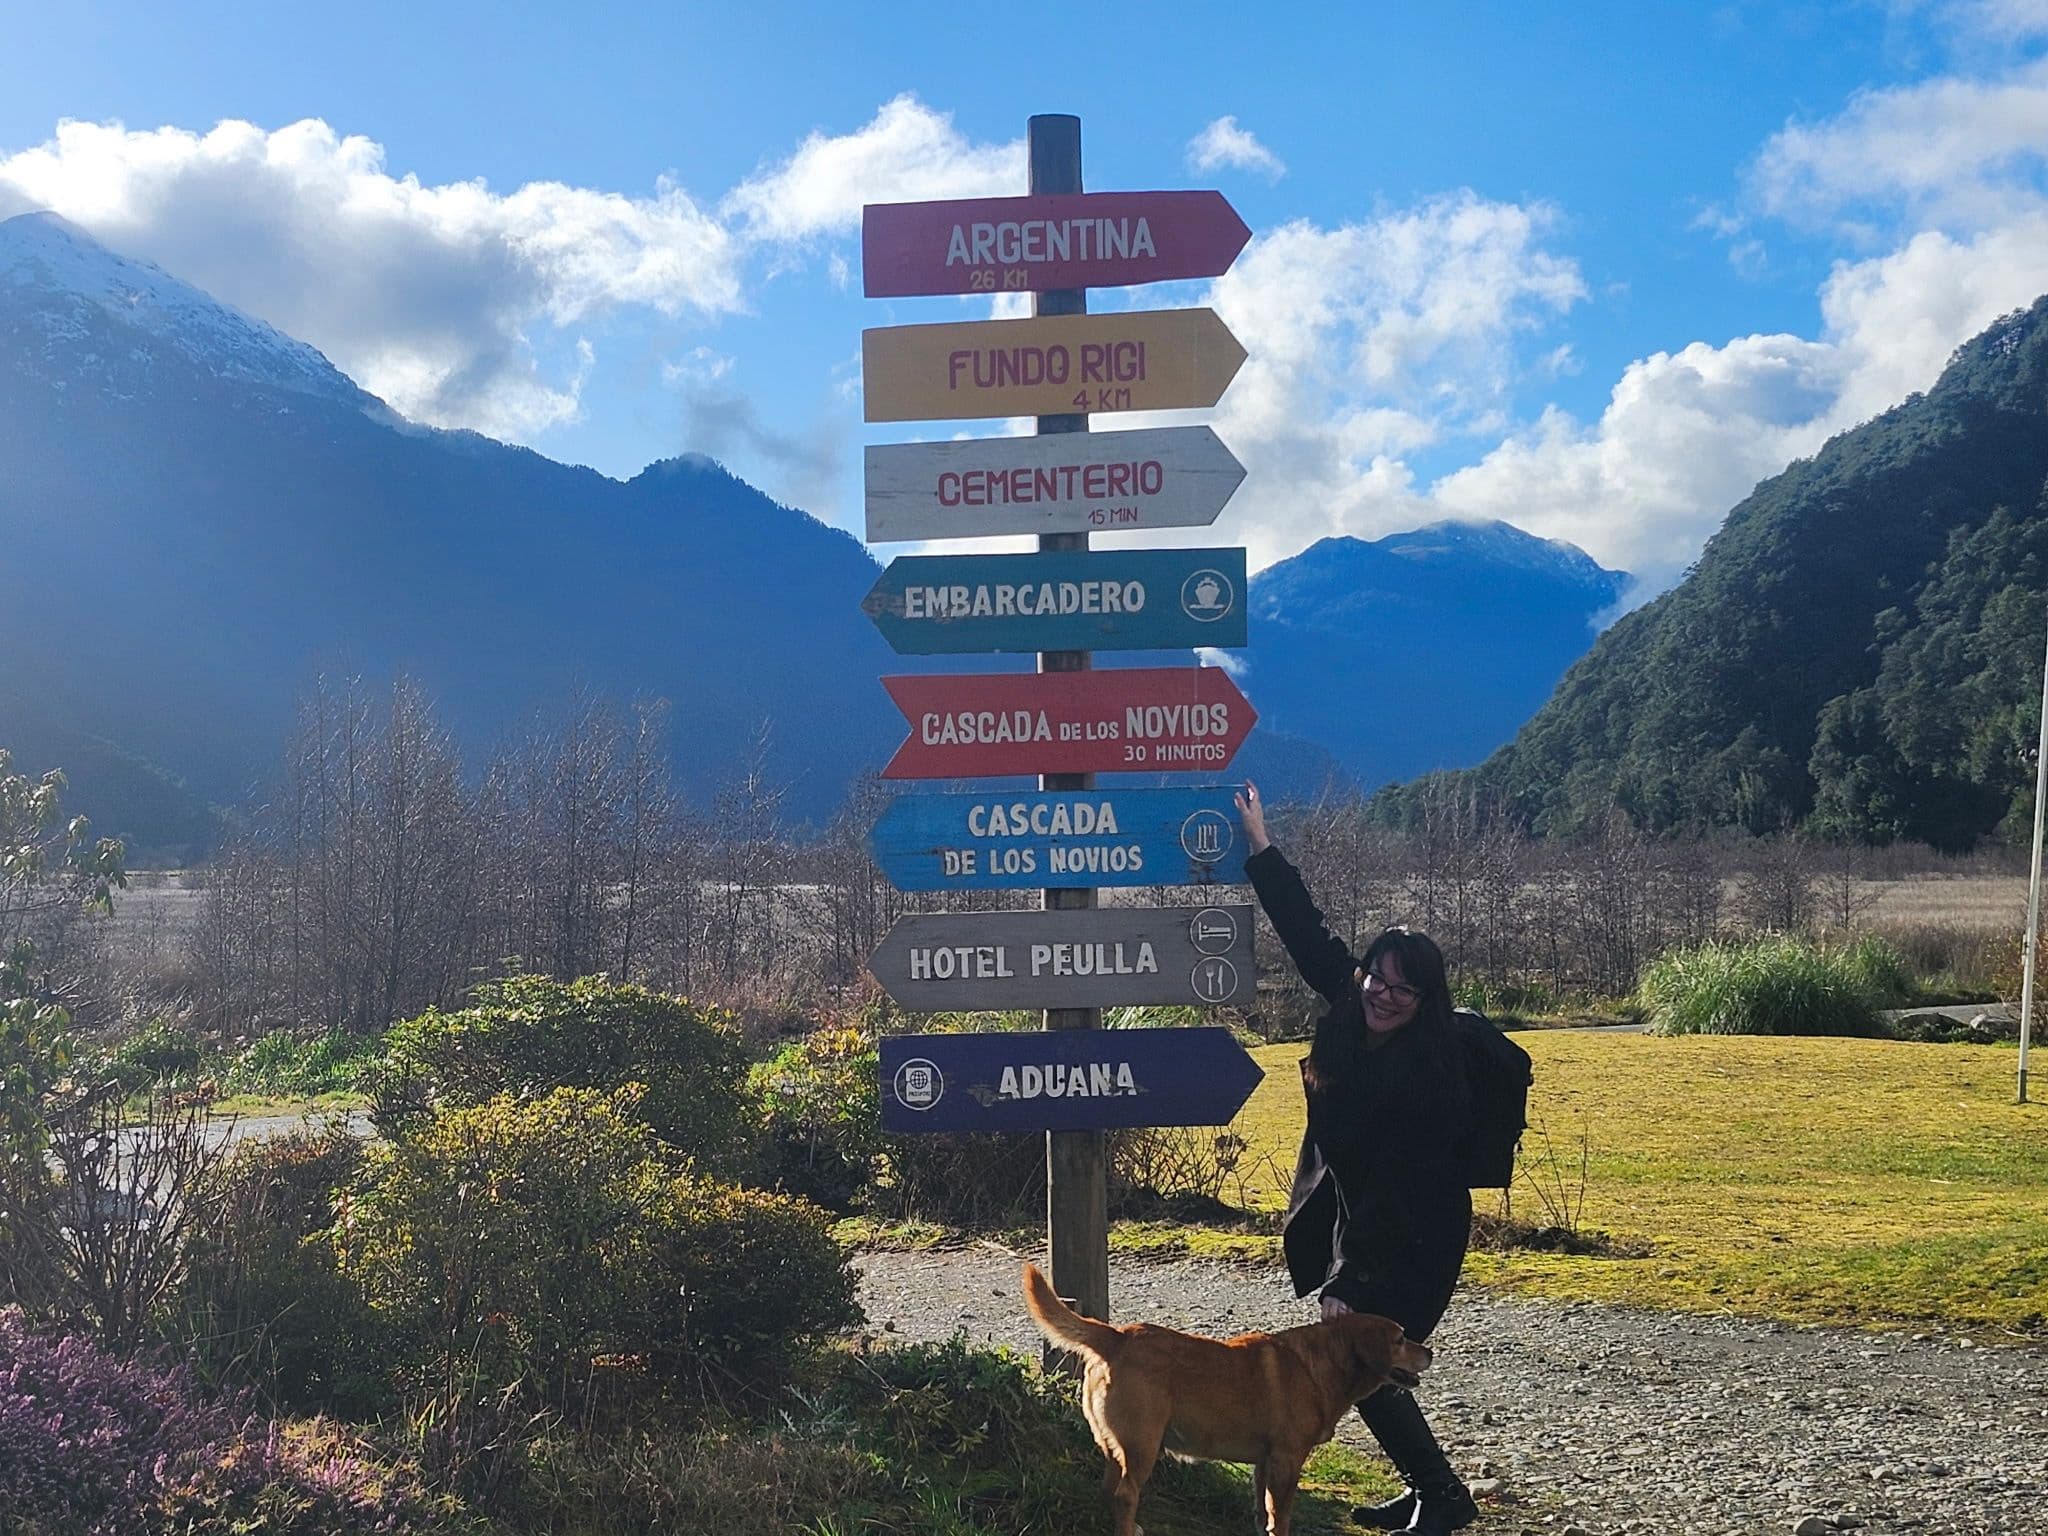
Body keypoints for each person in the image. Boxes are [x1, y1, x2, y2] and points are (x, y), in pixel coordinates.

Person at [1235, 779, 1480, 1534]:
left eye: (1403, 991)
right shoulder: (1348, 1009)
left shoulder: (1427, 1075)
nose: (1382, 993)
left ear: (1425, 1002)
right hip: (1360, 1213)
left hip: (1415, 1231)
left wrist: (1351, 1277)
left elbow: (1391, 1191)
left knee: (1367, 1361)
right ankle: (1428, 1490)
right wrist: (1261, 845)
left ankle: (1442, 1497)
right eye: (1377, 976)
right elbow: (1307, 933)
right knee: (1364, 1366)